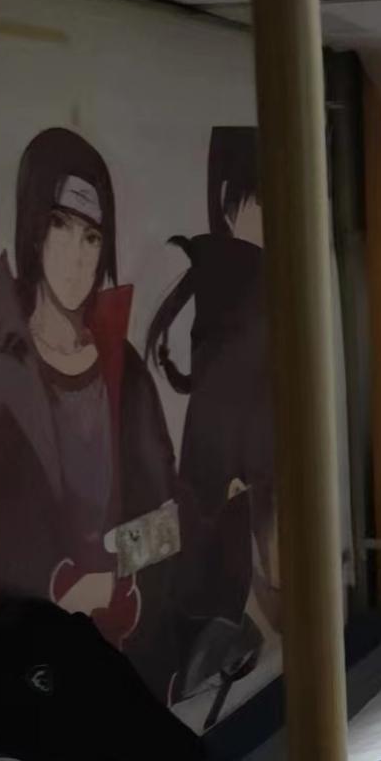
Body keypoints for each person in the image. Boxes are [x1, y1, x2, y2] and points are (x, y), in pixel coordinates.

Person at [0, 128, 177, 708]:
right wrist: (58, 588)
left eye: (92, 235)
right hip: (26, 682)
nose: (77, 255)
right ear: (33, 230)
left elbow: (169, 524)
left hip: (123, 663)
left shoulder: (126, 374)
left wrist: (111, 570)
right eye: (60, 226)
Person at [146, 127, 278, 703]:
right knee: (217, 569)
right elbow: (221, 380)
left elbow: (192, 365)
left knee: (221, 568)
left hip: (221, 454)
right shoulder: (240, 275)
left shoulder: (221, 272)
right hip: (222, 453)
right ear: (228, 203)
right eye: (262, 203)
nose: (275, 220)